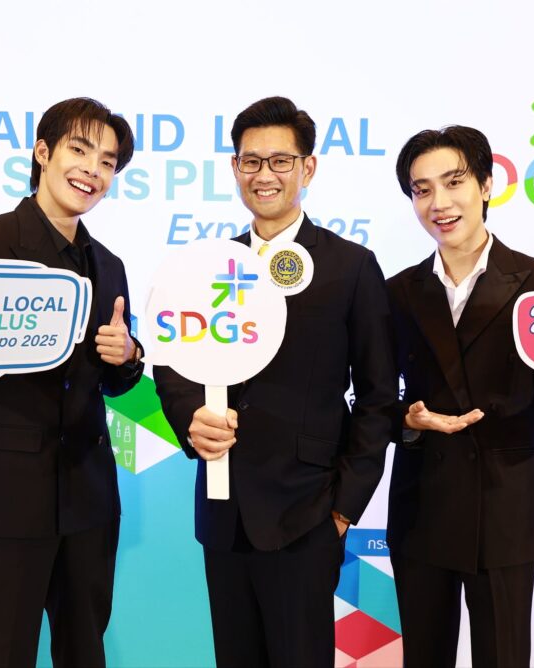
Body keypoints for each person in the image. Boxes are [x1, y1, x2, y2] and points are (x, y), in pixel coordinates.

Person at [153, 96, 398, 667]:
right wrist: (190, 418)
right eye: (251, 161)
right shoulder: (209, 265)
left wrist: (344, 509)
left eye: (280, 161)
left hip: (306, 511)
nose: (264, 174)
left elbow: (378, 395)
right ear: (235, 168)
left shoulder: (350, 266)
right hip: (223, 506)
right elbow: (172, 362)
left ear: (307, 168)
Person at [385, 125, 534, 667]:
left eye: (454, 182)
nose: (439, 203)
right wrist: (409, 419)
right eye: (422, 190)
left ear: (486, 185)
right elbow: (377, 400)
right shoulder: (397, 291)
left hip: (504, 509)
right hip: (423, 507)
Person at [0, 97, 143, 668]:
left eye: (108, 162)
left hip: (88, 496)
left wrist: (127, 356)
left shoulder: (109, 265)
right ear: (43, 152)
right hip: (3, 491)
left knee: (84, 651)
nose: (93, 170)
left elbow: (114, 380)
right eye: (80, 150)